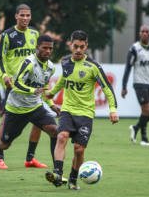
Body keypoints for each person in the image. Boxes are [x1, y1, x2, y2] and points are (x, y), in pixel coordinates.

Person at [0, 34, 62, 179]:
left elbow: (43, 88)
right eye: (45, 48)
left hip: (35, 107)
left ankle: (57, 173)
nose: (48, 51)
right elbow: (15, 84)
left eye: (50, 48)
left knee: (55, 131)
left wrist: (51, 104)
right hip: (16, 109)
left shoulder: (50, 67)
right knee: (4, 144)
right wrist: (32, 91)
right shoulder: (29, 62)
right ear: (37, 48)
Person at [45, 30, 119, 190]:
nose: (78, 50)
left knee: (78, 150)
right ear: (70, 45)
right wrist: (51, 93)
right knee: (61, 137)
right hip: (67, 110)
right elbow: (63, 81)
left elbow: (107, 88)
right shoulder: (65, 62)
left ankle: (73, 179)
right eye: (75, 46)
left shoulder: (93, 66)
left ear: (86, 46)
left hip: (85, 114)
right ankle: (57, 173)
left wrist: (112, 109)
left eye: (81, 47)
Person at [0, 4, 49, 168]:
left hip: (33, 83)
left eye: (28, 15)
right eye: (22, 15)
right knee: (6, 119)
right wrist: (4, 75)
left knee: (38, 120)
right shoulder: (7, 35)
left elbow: (39, 56)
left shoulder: (34, 33)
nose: (25, 18)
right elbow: (0, 59)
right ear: (16, 16)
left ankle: (30, 158)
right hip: (15, 84)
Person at [121, 25, 149, 146]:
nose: (144, 33)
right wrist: (124, 86)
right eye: (142, 32)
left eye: (147, 32)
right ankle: (144, 138)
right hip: (139, 83)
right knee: (146, 109)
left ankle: (136, 128)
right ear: (139, 34)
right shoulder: (134, 49)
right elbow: (128, 68)